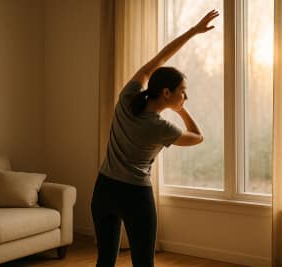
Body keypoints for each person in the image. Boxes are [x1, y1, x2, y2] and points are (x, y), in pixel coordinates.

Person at [91, 9, 220, 267]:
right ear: (166, 92)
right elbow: (198, 136)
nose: (185, 96)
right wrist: (181, 109)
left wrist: (194, 31)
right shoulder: (161, 128)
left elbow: (160, 59)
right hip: (134, 196)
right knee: (143, 263)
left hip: (103, 189)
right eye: (182, 92)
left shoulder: (127, 98)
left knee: (105, 261)